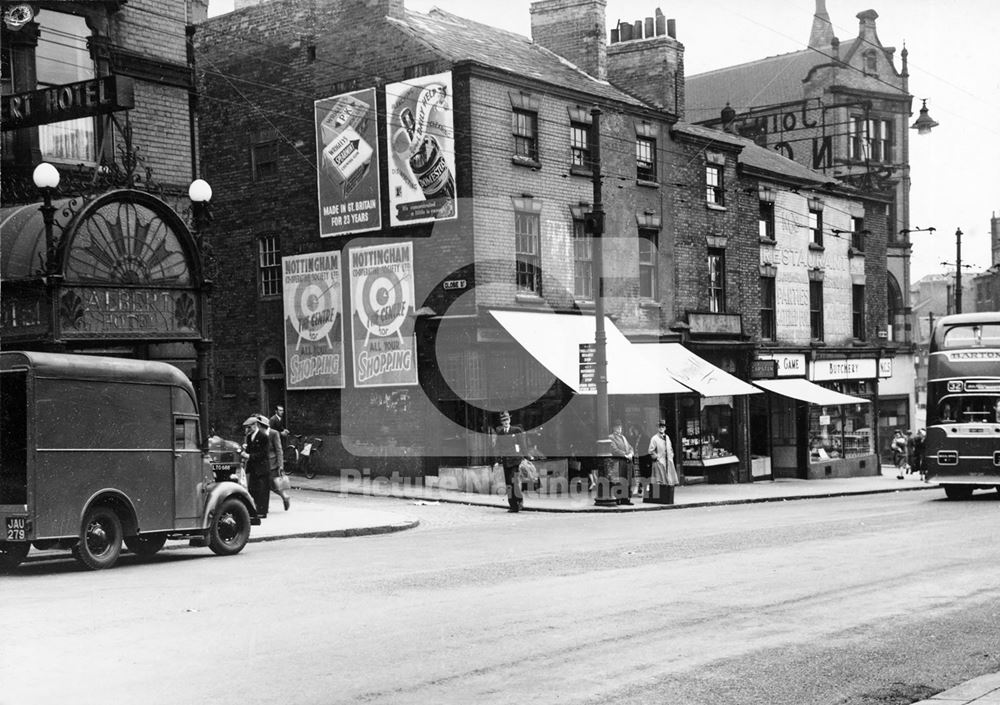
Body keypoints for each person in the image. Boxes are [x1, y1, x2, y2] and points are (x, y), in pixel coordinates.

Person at [493, 411, 529, 513]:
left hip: (516, 461)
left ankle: (519, 500)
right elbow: (497, 447)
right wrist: (496, 460)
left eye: (507, 420)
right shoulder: (500, 433)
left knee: (514, 481)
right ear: (501, 422)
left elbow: (522, 444)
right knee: (508, 483)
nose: (506, 422)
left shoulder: (516, 430)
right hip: (506, 461)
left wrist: (526, 457)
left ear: (510, 420)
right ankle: (513, 505)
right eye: (504, 420)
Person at [259, 414, 290, 511]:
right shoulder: (259, 434)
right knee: (265, 485)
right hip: (262, 462)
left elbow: (279, 450)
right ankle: (265, 505)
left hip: (273, 464)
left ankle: (284, 496)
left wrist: (281, 465)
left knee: (273, 485)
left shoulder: (274, 433)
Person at [242, 415, 271, 518]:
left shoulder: (263, 436)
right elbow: (250, 450)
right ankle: (255, 510)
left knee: (262, 490)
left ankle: (262, 512)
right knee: (253, 489)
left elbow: (264, 453)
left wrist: (249, 456)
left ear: (255, 425)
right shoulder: (250, 437)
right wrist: (245, 450)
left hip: (262, 467)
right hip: (253, 467)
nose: (248, 429)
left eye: (249, 427)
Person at [648, 419, 679, 503]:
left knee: (668, 480)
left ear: (665, 428)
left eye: (663, 427)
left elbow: (670, 448)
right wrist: (656, 457)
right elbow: (651, 450)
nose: (661, 428)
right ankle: (660, 498)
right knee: (659, 481)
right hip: (659, 462)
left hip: (668, 462)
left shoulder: (667, 437)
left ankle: (667, 498)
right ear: (657, 428)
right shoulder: (654, 438)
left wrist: (671, 456)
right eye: (660, 427)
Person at [608, 420, 635, 505]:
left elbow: (630, 447)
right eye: (617, 427)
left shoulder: (623, 437)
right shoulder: (611, 437)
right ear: (613, 428)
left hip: (626, 461)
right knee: (619, 480)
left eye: (620, 427)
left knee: (627, 480)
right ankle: (618, 498)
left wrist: (631, 453)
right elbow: (614, 449)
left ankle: (626, 498)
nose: (619, 428)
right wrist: (624, 454)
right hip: (618, 461)